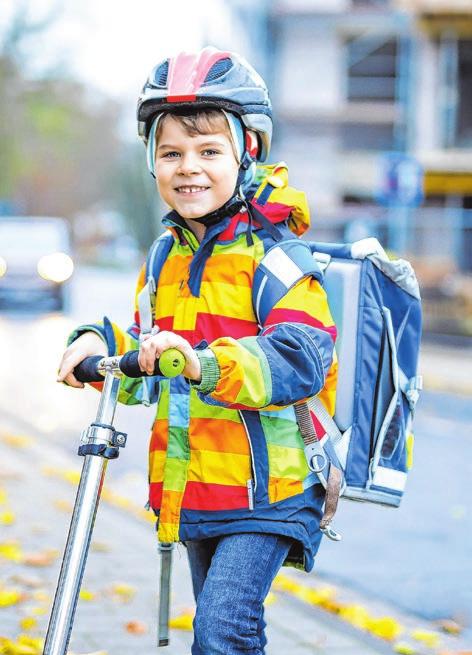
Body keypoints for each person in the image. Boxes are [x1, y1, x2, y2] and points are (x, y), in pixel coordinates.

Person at [57, 46, 338, 655]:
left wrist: (206, 362)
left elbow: (303, 356)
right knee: (223, 636)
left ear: (249, 153)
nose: (190, 167)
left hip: (273, 488)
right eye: (172, 152)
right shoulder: (165, 257)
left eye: (210, 151)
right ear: (152, 162)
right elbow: (145, 359)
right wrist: (101, 346)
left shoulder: (278, 260)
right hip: (195, 484)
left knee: (222, 630)